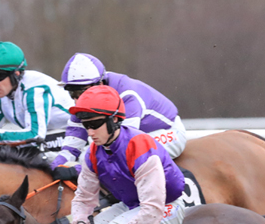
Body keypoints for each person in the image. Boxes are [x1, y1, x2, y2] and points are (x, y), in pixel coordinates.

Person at [68, 86, 186, 224]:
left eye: (94, 124)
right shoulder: (92, 153)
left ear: (114, 120)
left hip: (166, 207)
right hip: (133, 205)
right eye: (85, 125)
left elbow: (151, 210)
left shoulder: (139, 146)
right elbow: (83, 200)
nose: (89, 132)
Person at [51, 53, 187, 180]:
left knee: (133, 155)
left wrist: (78, 171)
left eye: (81, 92)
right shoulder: (87, 98)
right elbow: (73, 141)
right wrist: (54, 165)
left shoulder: (127, 95)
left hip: (169, 132)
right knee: (87, 155)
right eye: (73, 94)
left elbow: (124, 146)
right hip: (138, 135)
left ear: (100, 83)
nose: (78, 99)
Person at [0, 41, 72, 160]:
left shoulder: (34, 91)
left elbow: (35, 135)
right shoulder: (2, 96)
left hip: (74, 135)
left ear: (16, 74)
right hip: (45, 138)